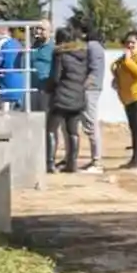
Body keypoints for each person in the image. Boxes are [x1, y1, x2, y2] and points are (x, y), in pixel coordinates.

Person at [42, 27, 88, 173]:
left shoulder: (60, 55)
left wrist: (48, 88)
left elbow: (55, 77)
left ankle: (50, 164)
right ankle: (72, 164)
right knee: (73, 131)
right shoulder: (82, 55)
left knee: (51, 129)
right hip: (78, 98)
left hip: (61, 97)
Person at [112, 30, 137, 169]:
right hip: (128, 97)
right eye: (127, 42)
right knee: (134, 128)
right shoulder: (127, 56)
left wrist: (127, 60)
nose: (130, 45)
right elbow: (115, 66)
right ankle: (135, 158)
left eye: (133, 42)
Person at [77, 21, 106, 172]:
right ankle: (95, 160)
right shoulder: (96, 46)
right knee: (90, 123)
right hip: (92, 88)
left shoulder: (92, 47)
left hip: (90, 89)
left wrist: (82, 87)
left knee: (91, 123)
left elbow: (93, 71)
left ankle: (97, 161)